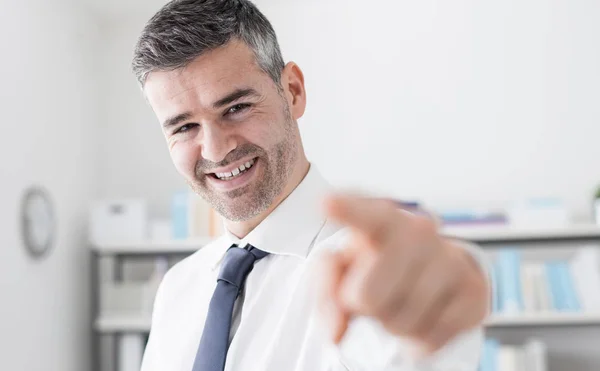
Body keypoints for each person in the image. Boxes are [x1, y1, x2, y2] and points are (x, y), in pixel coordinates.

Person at [132, 0, 490, 370]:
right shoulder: (177, 288)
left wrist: (427, 319)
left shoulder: (368, 266)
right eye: (184, 127)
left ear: (293, 91)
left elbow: (416, 337)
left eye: (236, 107)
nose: (216, 149)